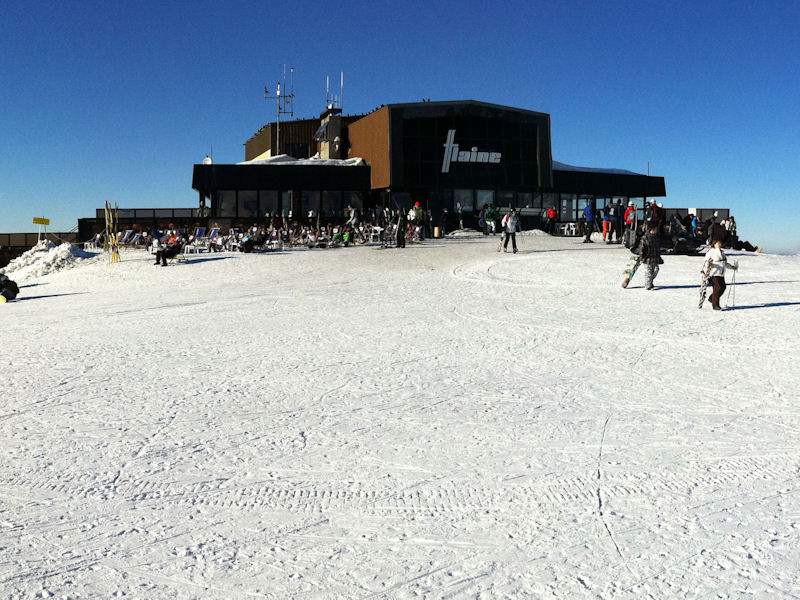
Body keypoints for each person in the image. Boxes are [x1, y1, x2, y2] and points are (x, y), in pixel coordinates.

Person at [703, 238, 738, 310]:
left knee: (723, 287)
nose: (719, 245)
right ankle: (715, 305)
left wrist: (732, 267)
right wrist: (709, 264)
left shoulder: (722, 252)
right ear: (714, 244)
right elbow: (706, 261)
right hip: (714, 273)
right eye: (718, 243)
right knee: (717, 288)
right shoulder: (711, 252)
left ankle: (711, 298)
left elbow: (725, 263)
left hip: (721, 273)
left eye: (720, 243)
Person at [637, 224, 663, 290]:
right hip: (647, 258)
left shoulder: (656, 237)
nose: (657, 230)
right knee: (648, 272)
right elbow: (641, 248)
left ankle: (650, 282)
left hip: (655, 257)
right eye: (656, 229)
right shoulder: (645, 237)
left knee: (656, 270)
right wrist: (642, 256)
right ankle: (648, 285)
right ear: (652, 229)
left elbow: (657, 248)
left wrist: (659, 257)